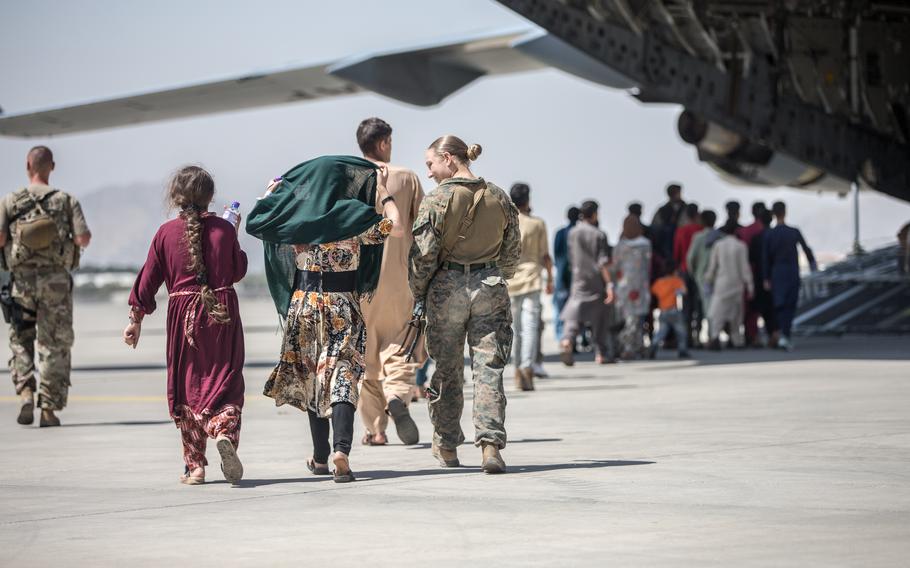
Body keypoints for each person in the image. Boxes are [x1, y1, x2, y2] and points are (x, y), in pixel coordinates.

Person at [248, 155, 402, 483]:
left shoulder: (298, 217)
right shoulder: (355, 216)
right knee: (342, 375)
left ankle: (319, 458)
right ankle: (339, 451)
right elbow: (396, 225)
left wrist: (272, 194)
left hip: (304, 307)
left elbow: (254, 222)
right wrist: (385, 194)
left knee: (313, 380)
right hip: (342, 305)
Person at [124, 166, 247, 485]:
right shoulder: (223, 228)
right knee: (226, 380)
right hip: (221, 313)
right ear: (210, 197)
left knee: (188, 386)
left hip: (183, 319)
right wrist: (232, 230)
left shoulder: (165, 233)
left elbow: (148, 280)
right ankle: (223, 431)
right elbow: (236, 271)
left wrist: (135, 321)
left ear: (176, 197)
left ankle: (195, 466)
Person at [410, 136, 520, 474]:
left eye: (430, 164)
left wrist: (419, 293)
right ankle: (490, 446)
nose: (428, 173)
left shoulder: (437, 199)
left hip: (447, 290)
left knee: (447, 370)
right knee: (489, 370)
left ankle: (446, 445)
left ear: (447, 158)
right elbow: (512, 253)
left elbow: (422, 257)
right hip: (490, 286)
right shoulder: (499, 196)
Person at [0, 146, 91, 427]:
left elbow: (0, 239)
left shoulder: (10, 201)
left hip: (22, 285)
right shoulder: (66, 201)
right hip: (56, 286)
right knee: (55, 345)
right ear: (51, 166)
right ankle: (49, 410)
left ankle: (26, 392)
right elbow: (83, 239)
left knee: (21, 339)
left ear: (28, 164)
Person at [354, 117, 426, 447]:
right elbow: (424, 228)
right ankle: (397, 393)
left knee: (366, 357)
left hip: (357, 283)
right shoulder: (407, 178)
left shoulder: (347, 179)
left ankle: (375, 430)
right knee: (401, 345)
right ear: (384, 143)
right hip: (399, 279)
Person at [506, 183, 553, 391]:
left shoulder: (506, 223)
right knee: (531, 326)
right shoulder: (537, 224)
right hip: (532, 277)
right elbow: (545, 256)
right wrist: (550, 278)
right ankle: (526, 367)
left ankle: (517, 369)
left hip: (510, 280)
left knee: (515, 329)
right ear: (528, 200)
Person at [559, 200, 615, 366]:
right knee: (600, 317)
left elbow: (570, 256)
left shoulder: (572, 233)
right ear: (595, 214)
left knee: (574, 313)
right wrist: (610, 285)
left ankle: (567, 340)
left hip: (578, 279)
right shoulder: (599, 234)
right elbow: (602, 262)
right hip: (596, 281)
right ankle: (601, 353)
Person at [763, 201, 817, 351]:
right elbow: (807, 250)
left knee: (779, 305)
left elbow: (766, 258)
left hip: (777, 273)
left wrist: (766, 278)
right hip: (792, 272)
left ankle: (782, 335)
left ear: (773, 214)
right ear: (785, 212)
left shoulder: (770, 234)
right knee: (790, 305)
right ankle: (785, 335)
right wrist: (813, 267)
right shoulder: (793, 232)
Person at [705, 223, 753, 349]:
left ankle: (715, 337)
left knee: (718, 314)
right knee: (736, 315)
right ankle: (736, 340)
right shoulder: (741, 246)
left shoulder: (718, 245)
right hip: (737, 285)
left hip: (722, 284)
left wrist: (708, 280)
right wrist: (750, 286)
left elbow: (712, 267)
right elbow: (745, 269)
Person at [612, 215, 652, 359]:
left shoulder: (620, 246)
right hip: (640, 287)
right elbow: (647, 266)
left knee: (627, 319)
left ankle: (628, 345)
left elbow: (614, 267)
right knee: (636, 319)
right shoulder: (646, 245)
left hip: (623, 287)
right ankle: (634, 345)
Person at [737, 201, 768, 346]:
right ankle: (755, 335)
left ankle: (746, 335)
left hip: (744, 272)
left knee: (746, 307)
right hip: (760, 274)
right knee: (758, 308)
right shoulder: (764, 231)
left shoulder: (743, 231)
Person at [673, 202, 702, 347]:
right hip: (699, 272)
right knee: (699, 305)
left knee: (686, 306)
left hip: (684, 271)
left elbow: (676, 253)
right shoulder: (701, 230)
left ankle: (687, 336)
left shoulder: (681, 231)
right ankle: (697, 334)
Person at [649, 261, 690, 359]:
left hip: (662, 311)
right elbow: (684, 291)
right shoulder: (676, 281)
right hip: (674, 310)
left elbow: (653, 291)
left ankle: (653, 346)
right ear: (675, 271)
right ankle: (682, 350)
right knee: (681, 331)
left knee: (661, 331)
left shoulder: (659, 282)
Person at [749, 209, 777, 345]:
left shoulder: (756, 238)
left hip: (760, 278)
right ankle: (775, 332)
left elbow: (751, 259)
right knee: (775, 306)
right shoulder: (776, 235)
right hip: (776, 276)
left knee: (764, 308)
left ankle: (770, 332)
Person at [552, 206, 579, 341]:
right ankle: (574, 337)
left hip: (563, 274)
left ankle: (561, 337)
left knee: (560, 306)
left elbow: (556, 254)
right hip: (576, 274)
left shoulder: (561, 233)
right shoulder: (577, 232)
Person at [686, 209, 719, 322]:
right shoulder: (721, 236)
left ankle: (712, 333)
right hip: (719, 275)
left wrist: (694, 274)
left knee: (707, 304)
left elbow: (690, 258)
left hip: (703, 276)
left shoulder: (698, 237)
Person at [650, 183, 686, 262]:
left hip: (683, 241)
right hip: (665, 245)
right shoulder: (662, 210)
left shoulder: (686, 208)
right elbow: (655, 226)